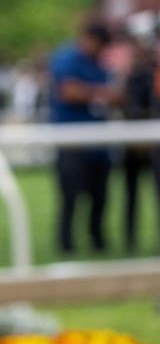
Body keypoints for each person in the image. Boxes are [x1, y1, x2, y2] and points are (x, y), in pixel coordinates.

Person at [48, 20, 122, 254]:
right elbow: (69, 91)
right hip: (72, 141)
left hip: (98, 143)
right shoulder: (65, 58)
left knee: (100, 197)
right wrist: (100, 93)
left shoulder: (101, 64)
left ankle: (97, 242)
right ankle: (66, 244)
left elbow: (118, 96)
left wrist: (95, 93)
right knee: (70, 197)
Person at [120, 37, 160, 252]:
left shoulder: (153, 75)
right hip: (134, 143)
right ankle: (129, 238)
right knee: (130, 194)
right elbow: (128, 106)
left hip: (154, 144)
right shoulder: (133, 77)